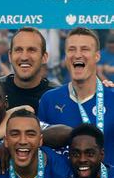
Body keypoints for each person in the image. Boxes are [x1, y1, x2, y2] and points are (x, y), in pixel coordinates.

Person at [38, 27, 114, 163]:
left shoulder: (111, 98)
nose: (77, 55)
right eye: (72, 49)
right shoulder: (49, 100)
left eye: (84, 49)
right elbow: (40, 149)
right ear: (65, 56)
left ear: (97, 56)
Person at [0, 27, 57, 112]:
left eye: (32, 50)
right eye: (18, 50)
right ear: (10, 56)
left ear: (44, 57)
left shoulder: (57, 95)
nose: (24, 57)